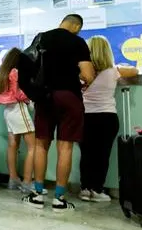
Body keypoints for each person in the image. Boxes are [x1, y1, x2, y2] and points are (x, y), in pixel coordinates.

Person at [23, 14, 95, 212]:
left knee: (41, 145)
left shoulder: (42, 38)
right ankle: (59, 199)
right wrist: (79, 77)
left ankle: (37, 195)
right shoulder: (78, 42)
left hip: (45, 97)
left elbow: (28, 66)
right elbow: (88, 75)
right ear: (76, 26)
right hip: (69, 97)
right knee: (66, 148)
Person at [80, 36, 137, 202]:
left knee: (86, 155)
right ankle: (97, 189)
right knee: (102, 155)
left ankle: (85, 189)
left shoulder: (81, 73)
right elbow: (135, 72)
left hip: (85, 117)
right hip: (106, 118)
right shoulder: (113, 71)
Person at [0, 48, 38, 193]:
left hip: (8, 111)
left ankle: (13, 179)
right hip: (19, 109)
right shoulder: (16, 73)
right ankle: (27, 182)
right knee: (33, 146)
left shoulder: (3, 74)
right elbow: (21, 94)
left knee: (12, 145)